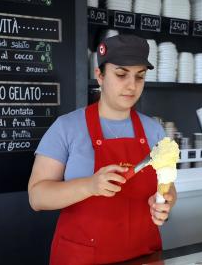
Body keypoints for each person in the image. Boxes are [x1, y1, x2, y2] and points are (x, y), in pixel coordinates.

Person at [28, 34, 177, 265]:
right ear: (99, 75)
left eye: (140, 76)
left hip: (143, 256)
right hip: (83, 257)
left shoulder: (154, 130)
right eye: (121, 74)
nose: (132, 85)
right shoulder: (67, 127)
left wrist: (166, 201)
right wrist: (89, 185)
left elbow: (167, 185)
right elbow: (37, 197)